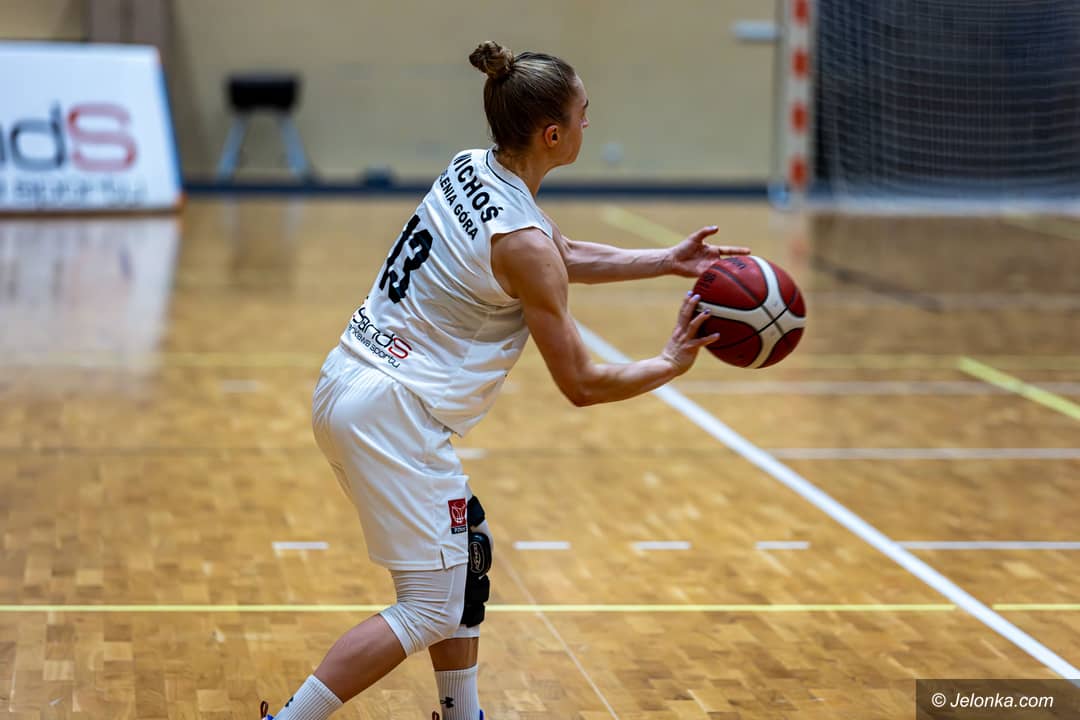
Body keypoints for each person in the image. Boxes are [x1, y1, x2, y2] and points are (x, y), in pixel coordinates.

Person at [259, 40, 749, 720]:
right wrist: (669, 362)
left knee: (467, 553)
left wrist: (665, 260)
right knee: (429, 607)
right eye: (583, 112)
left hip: (350, 377)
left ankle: (463, 714)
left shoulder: (472, 167)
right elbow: (581, 382)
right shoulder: (521, 243)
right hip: (393, 413)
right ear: (553, 134)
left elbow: (560, 252)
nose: (589, 123)